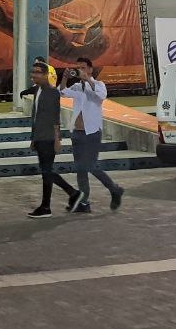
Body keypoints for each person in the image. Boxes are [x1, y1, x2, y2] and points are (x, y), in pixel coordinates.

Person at [60, 57, 125, 213]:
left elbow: (101, 96)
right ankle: (84, 202)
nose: (80, 70)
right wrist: (65, 78)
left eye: (83, 68)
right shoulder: (76, 86)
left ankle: (114, 189)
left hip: (92, 132)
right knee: (80, 169)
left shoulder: (99, 85)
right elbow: (62, 92)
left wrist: (88, 80)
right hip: (77, 132)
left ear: (90, 69)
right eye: (78, 68)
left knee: (89, 165)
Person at [19, 58, 80, 218]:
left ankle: (47, 206)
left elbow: (55, 118)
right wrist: (33, 138)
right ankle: (72, 194)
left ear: (46, 75)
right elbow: (36, 117)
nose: (34, 75)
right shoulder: (38, 91)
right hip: (39, 137)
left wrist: (57, 139)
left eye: (38, 72)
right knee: (47, 171)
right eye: (33, 72)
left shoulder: (52, 92)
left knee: (46, 172)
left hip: (48, 138)